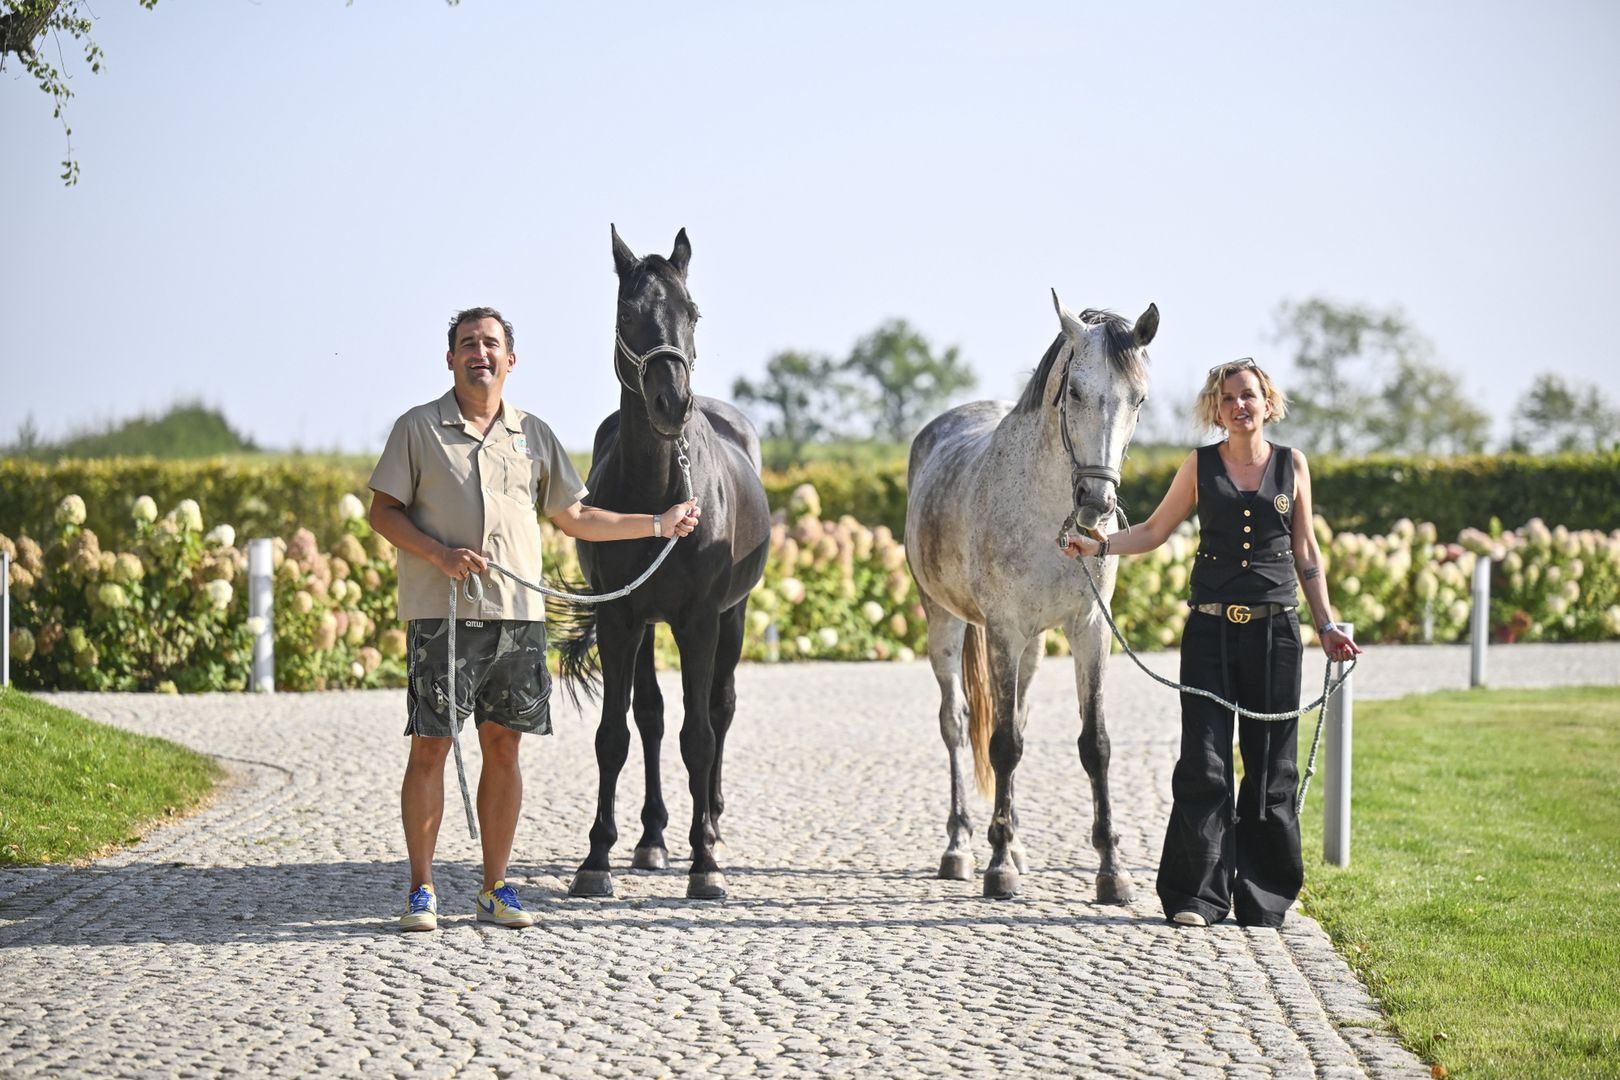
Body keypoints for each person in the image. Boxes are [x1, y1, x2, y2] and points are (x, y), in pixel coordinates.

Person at [368, 306, 700, 932]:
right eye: (468, 344)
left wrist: (658, 524)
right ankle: (422, 889)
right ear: (450, 359)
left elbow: (578, 517)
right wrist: (439, 554)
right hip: (442, 615)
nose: (480, 353)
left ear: (510, 359)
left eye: (491, 343)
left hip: (518, 619)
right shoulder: (417, 429)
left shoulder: (534, 434)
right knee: (431, 749)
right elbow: (382, 513)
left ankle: (496, 888)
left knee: (504, 748)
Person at [1061, 357, 1361, 928]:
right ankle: (1197, 896)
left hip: (1277, 634)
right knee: (1205, 763)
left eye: (1248, 396)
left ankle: (1262, 898)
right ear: (1217, 410)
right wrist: (1097, 547)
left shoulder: (1293, 465)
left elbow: (1307, 554)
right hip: (1210, 631)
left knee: (1272, 765)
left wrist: (1325, 628)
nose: (1239, 406)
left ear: (1267, 404)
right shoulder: (1199, 466)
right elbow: (1153, 531)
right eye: (1228, 399)